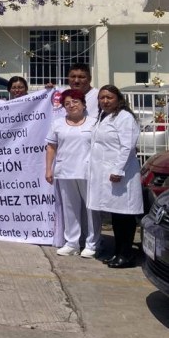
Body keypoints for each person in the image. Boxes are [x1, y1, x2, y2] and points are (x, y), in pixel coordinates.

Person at [88, 85, 143, 269]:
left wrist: (118, 170)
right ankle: (118, 252)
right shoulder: (103, 117)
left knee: (124, 216)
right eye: (102, 97)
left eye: (109, 97)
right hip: (108, 174)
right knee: (116, 216)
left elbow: (127, 146)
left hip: (121, 174)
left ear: (118, 99)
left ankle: (126, 255)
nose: (105, 101)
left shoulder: (124, 117)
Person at [45, 89, 99, 258]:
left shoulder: (94, 122)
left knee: (91, 209)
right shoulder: (58, 123)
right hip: (65, 171)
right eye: (67, 103)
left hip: (88, 171)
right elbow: (51, 147)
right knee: (70, 210)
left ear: (83, 104)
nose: (71, 105)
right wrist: (49, 169)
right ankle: (72, 243)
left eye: (75, 101)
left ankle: (92, 244)